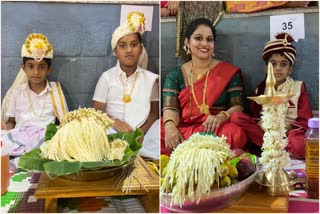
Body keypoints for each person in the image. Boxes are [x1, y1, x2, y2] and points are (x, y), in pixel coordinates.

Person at [161, 17, 249, 156]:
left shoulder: (228, 72)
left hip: (215, 129)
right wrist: (170, 127)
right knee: (161, 131)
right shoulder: (175, 75)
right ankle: (206, 151)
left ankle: (187, 152)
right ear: (187, 42)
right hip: (186, 128)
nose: (204, 43)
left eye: (209, 39)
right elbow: (170, 108)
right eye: (198, 38)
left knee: (236, 134)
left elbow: (238, 106)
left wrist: (221, 117)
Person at [234, 33, 313, 159]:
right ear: (266, 68)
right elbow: (253, 117)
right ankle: (276, 148)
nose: (278, 69)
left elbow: (306, 120)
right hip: (266, 132)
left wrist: (288, 125)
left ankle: (272, 148)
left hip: (289, 133)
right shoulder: (260, 89)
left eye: (283, 64)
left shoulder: (299, 88)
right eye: (273, 64)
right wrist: (262, 123)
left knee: (300, 145)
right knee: (236, 117)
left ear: (290, 70)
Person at [93, 11, 159, 160]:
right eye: (123, 46)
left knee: (160, 127)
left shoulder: (150, 79)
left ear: (141, 49)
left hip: (142, 133)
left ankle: (141, 152)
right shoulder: (106, 78)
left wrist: (141, 132)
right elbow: (98, 110)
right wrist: (114, 122)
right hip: (112, 130)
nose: (129, 50)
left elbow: (154, 113)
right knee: (94, 129)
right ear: (116, 51)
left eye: (134, 45)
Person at [1, 33, 69, 172]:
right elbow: (11, 123)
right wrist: (4, 128)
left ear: (48, 69)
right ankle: (22, 160)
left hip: (45, 140)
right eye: (31, 66)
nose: (36, 72)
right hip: (20, 138)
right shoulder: (17, 92)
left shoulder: (56, 90)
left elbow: (65, 122)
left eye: (41, 67)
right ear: (23, 68)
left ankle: (23, 162)